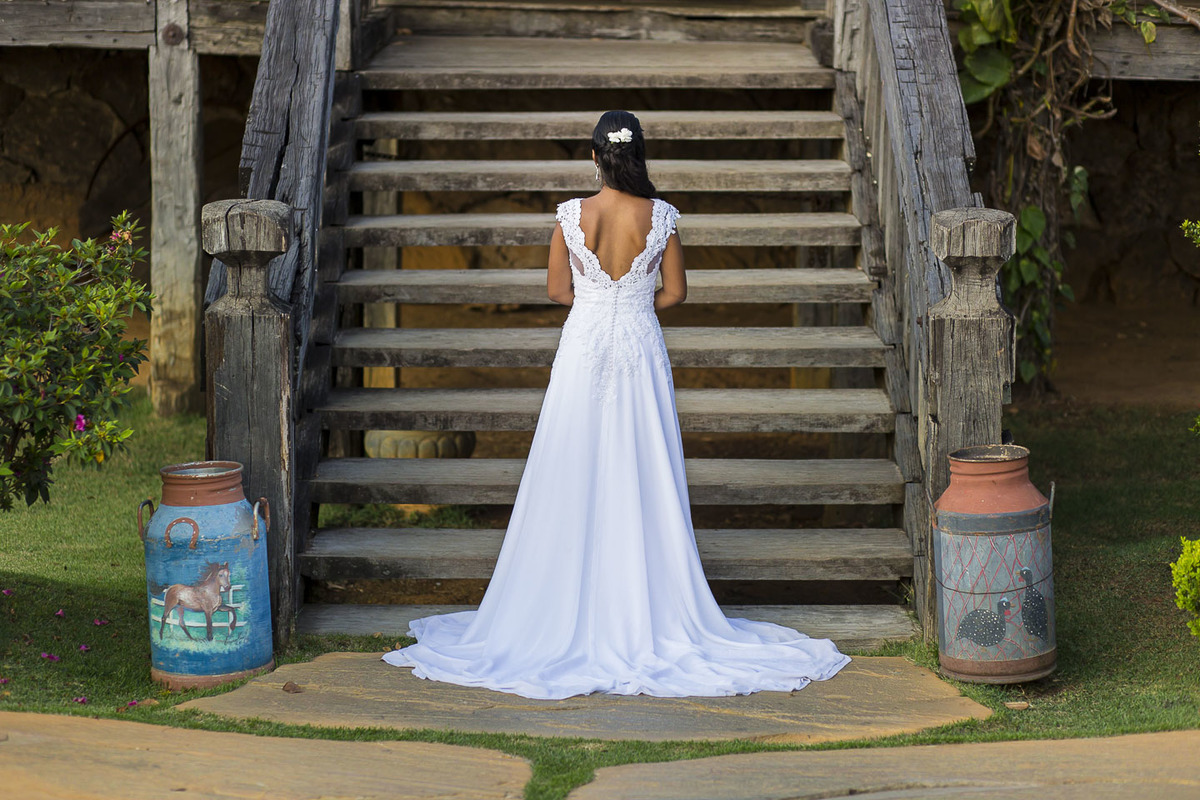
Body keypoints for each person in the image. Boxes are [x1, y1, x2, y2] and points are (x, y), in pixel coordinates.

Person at [382, 110, 851, 699]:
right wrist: (631, 300)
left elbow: (556, 290)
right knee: (643, 459)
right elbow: (675, 292)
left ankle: (556, 602)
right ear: (639, 156)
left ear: (595, 156)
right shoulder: (662, 217)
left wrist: (596, 301)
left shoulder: (570, 215)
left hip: (584, 344)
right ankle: (645, 601)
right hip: (636, 340)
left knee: (570, 458)